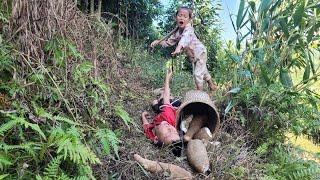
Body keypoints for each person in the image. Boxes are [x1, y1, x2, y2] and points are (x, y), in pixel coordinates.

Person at [150, 6, 217, 91]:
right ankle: (212, 85)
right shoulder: (177, 32)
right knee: (202, 69)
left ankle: (199, 94)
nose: (182, 18)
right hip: (192, 55)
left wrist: (178, 48)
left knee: (197, 74)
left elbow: (184, 39)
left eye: (185, 17)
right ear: (176, 17)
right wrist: (157, 42)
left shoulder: (189, 29)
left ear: (189, 20)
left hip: (200, 52)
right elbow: (169, 42)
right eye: (180, 15)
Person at [141, 68, 181, 146]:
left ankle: (162, 96)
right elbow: (166, 95)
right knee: (165, 98)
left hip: (162, 112)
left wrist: (143, 115)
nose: (170, 128)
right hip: (172, 107)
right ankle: (166, 95)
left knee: (155, 103)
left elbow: (146, 125)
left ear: (156, 138)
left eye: (168, 133)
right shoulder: (168, 117)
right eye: (175, 131)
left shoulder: (151, 136)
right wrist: (167, 78)